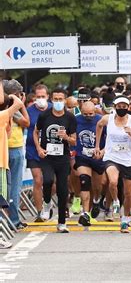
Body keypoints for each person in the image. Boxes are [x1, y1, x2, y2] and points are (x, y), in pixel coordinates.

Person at [95, 96, 131, 233]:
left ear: (128, 108)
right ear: (115, 106)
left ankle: (125, 219)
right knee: (112, 182)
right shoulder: (108, 118)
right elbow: (99, 126)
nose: (122, 108)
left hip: (128, 159)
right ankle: (116, 201)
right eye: (119, 106)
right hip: (111, 156)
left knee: (129, 193)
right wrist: (97, 146)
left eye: (125, 106)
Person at [34, 88, 77, 233]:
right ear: (51, 100)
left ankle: (61, 223)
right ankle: (47, 204)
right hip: (47, 156)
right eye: (55, 99)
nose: (58, 102)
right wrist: (39, 148)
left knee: (62, 190)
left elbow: (74, 141)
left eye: (61, 99)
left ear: (65, 100)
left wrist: (66, 138)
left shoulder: (70, 117)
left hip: (63, 158)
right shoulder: (44, 115)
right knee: (46, 181)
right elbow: (36, 132)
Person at [3, 80, 30, 230]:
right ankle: (13, 220)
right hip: (14, 148)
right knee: (14, 186)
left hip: (5, 148)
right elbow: (26, 122)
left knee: (4, 186)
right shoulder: (12, 107)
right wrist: (21, 104)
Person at [74, 102, 105, 226]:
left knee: (97, 186)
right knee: (84, 181)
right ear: (81, 111)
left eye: (91, 114)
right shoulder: (76, 120)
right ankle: (85, 213)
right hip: (82, 156)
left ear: (95, 111)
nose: (88, 116)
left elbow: (110, 139)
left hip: (98, 157)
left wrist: (103, 151)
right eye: (85, 114)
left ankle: (96, 201)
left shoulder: (101, 120)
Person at [26, 84, 52, 221]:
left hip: (52, 150)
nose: (41, 99)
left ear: (48, 97)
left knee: (50, 181)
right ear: (34, 97)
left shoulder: (55, 109)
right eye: (38, 97)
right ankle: (39, 212)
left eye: (43, 96)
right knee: (38, 180)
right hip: (33, 150)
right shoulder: (29, 111)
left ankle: (47, 202)